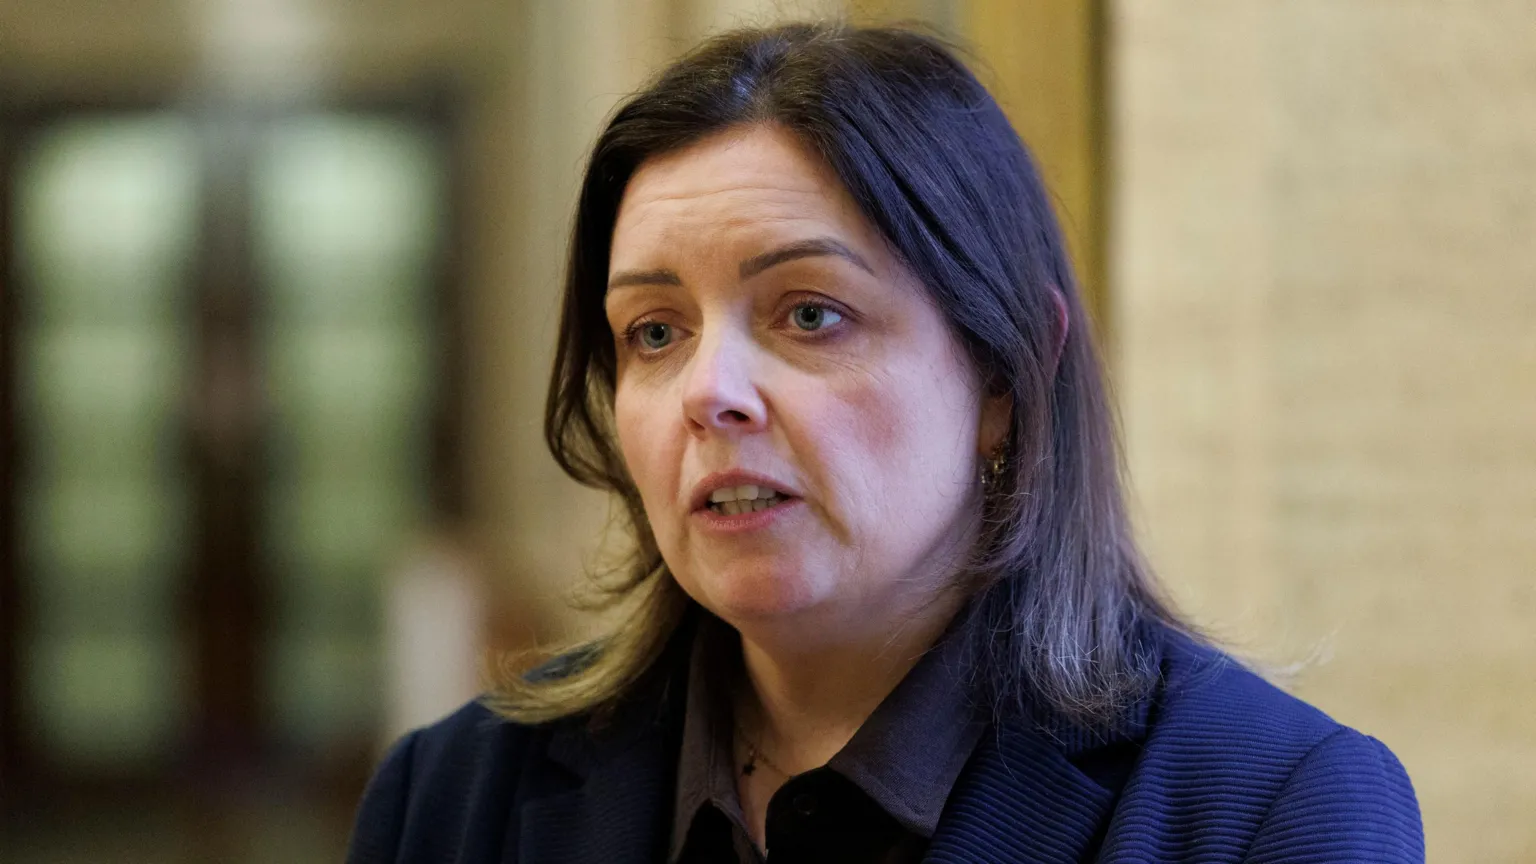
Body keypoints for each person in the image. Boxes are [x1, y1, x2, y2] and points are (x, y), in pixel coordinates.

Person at [346, 22, 1423, 864]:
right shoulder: (453, 798)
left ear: (1005, 378)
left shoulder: (1268, 808)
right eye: (654, 333)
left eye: (808, 314)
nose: (708, 395)